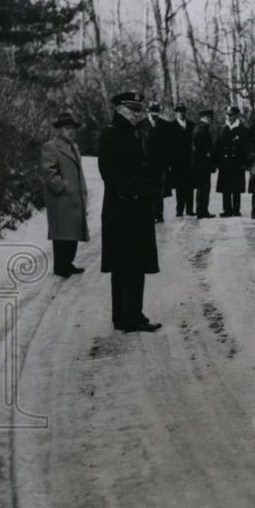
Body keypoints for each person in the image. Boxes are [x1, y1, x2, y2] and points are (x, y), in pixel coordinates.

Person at [98, 92, 161, 332]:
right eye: (132, 110)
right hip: (123, 211)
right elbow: (109, 172)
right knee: (126, 265)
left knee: (132, 264)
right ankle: (127, 317)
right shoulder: (112, 134)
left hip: (131, 210)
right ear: (121, 110)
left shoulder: (129, 133)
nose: (137, 114)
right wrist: (131, 194)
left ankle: (130, 315)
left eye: (138, 110)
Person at [41, 112, 89, 278]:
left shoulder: (73, 147)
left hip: (74, 199)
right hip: (60, 200)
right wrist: (62, 187)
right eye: (67, 128)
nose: (71, 131)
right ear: (59, 130)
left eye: (72, 129)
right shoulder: (51, 146)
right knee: (62, 235)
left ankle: (67, 263)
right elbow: (48, 171)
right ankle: (60, 267)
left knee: (72, 233)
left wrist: (82, 192)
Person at [215, 104, 251, 217]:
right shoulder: (221, 129)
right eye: (227, 115)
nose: (229, 117)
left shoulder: (243, 130)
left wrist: (245, 162)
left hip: (237, 163)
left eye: (231, 115)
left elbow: (247, 148)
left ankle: (236, 209)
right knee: (225, 187)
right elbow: (217, 146)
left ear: (236, 116)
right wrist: (217, 161)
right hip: (225, 163)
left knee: (236, 187)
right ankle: (227, 210)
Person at [145, 102, 173, 224]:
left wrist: (168, 160)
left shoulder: (165, 125)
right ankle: (149, 214)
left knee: (159, 190)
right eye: (152, 114)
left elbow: (170, 144)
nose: (154, 116)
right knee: (148, 190)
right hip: (145, 164)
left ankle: (159, 214)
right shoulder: (141, 125)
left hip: (161, 164)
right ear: (148, 112)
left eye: (156, 114)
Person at [170, 104, 195, 217]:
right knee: (179, 187)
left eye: (183, 111)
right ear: (176, 113)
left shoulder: (191, 125)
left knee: (190, 185)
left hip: (189, 160)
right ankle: (179, 210)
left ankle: (189, 209)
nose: (181, 113)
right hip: (177, 161)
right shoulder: (171, 126)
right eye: (179, 111)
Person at [193, 108, 217, 219]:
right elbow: (197, 146)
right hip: (202, 164)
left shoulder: (201, 128)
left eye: (210, 118)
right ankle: (201, 212)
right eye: (209, 118)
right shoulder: (200, 129)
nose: (210, 120)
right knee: (203, 188)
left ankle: (202, 211)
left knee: (203, 188)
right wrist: (206, 153)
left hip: (202, 164)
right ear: (203, 118)